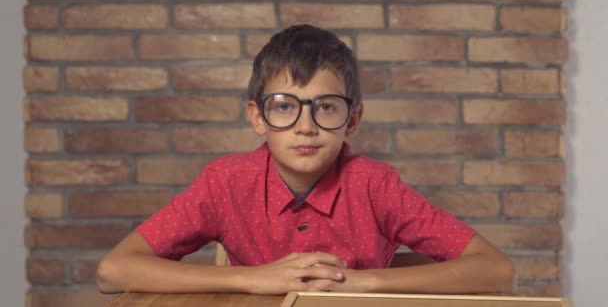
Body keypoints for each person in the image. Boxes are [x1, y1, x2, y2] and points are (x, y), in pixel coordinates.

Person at [96, 25, 515, 295]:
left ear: (353, 120)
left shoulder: (375, 185)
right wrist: (249, 279)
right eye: (284, 107)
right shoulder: (225, 182)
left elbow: (496, 271)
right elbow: (113, 271)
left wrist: (362, 283)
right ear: (258, 117)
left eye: (326, 107)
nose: (305, 126)